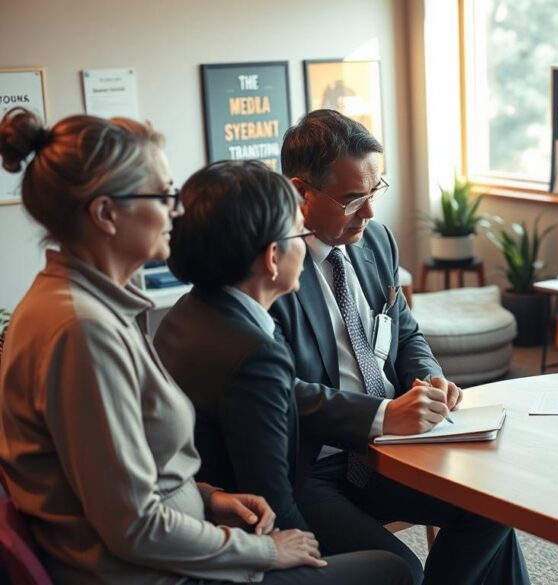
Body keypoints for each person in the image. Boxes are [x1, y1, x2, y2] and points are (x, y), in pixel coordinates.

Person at [0, 108, 411, 585]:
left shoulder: (87, 307)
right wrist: (259, 550)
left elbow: (122, 477)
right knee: (394, 571)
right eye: (163, 195)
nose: (177, 211)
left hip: (176, 542)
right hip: (157, 574)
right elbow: (134, 527)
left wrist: (207, 497)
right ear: (106, 214)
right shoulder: (82, 329)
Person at [270, 109, 531, 584]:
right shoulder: (270, 269)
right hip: (315, 466)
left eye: (375, 191)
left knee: (497, 501)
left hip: (390, 451)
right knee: (401, 570)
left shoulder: (376, 242)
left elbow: (405, 331)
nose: (369, 212)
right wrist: (382, 416)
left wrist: (428, 376)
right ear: (299, 192)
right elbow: (280, 394)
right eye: (352, 199)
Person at [153, 160, 413, 584]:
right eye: (300, 232)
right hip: (246, 542)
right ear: (273, 258)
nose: (307, 242)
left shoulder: (181, 319)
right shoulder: (257, 354)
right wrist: (315, 558)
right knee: (399, 570)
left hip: (207, 510)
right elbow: (275, 502)